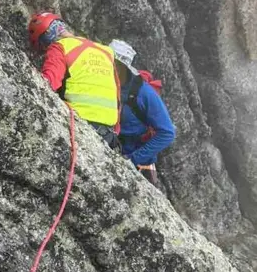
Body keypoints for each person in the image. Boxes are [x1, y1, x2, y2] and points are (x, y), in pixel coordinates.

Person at [28, 12, 121, 149]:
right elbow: (117, 94)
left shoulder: (60, 47)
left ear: (46, 37)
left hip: (80, 123)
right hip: (108, 133)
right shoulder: (105, 51)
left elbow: (49, 83)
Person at [108, 39, 175, 186]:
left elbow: (167, 132)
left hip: (137, 160)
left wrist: (133, 158)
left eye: (112, 63)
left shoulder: (144, 93)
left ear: (121, 67)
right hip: (113, 147)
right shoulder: (106, 82)